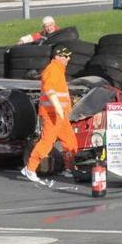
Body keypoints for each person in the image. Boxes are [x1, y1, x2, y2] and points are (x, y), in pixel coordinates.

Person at [22, 46, 77, 183]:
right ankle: (30, 168)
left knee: (70, 142)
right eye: (65, 56)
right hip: (52, 115)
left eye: (69, 56)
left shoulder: (59, 69)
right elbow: (48, 89)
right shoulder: (52, 69)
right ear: (57, 56)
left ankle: (69, 168)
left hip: (61, 115)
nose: (68, 58)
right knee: (47, 142)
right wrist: (58, 106)